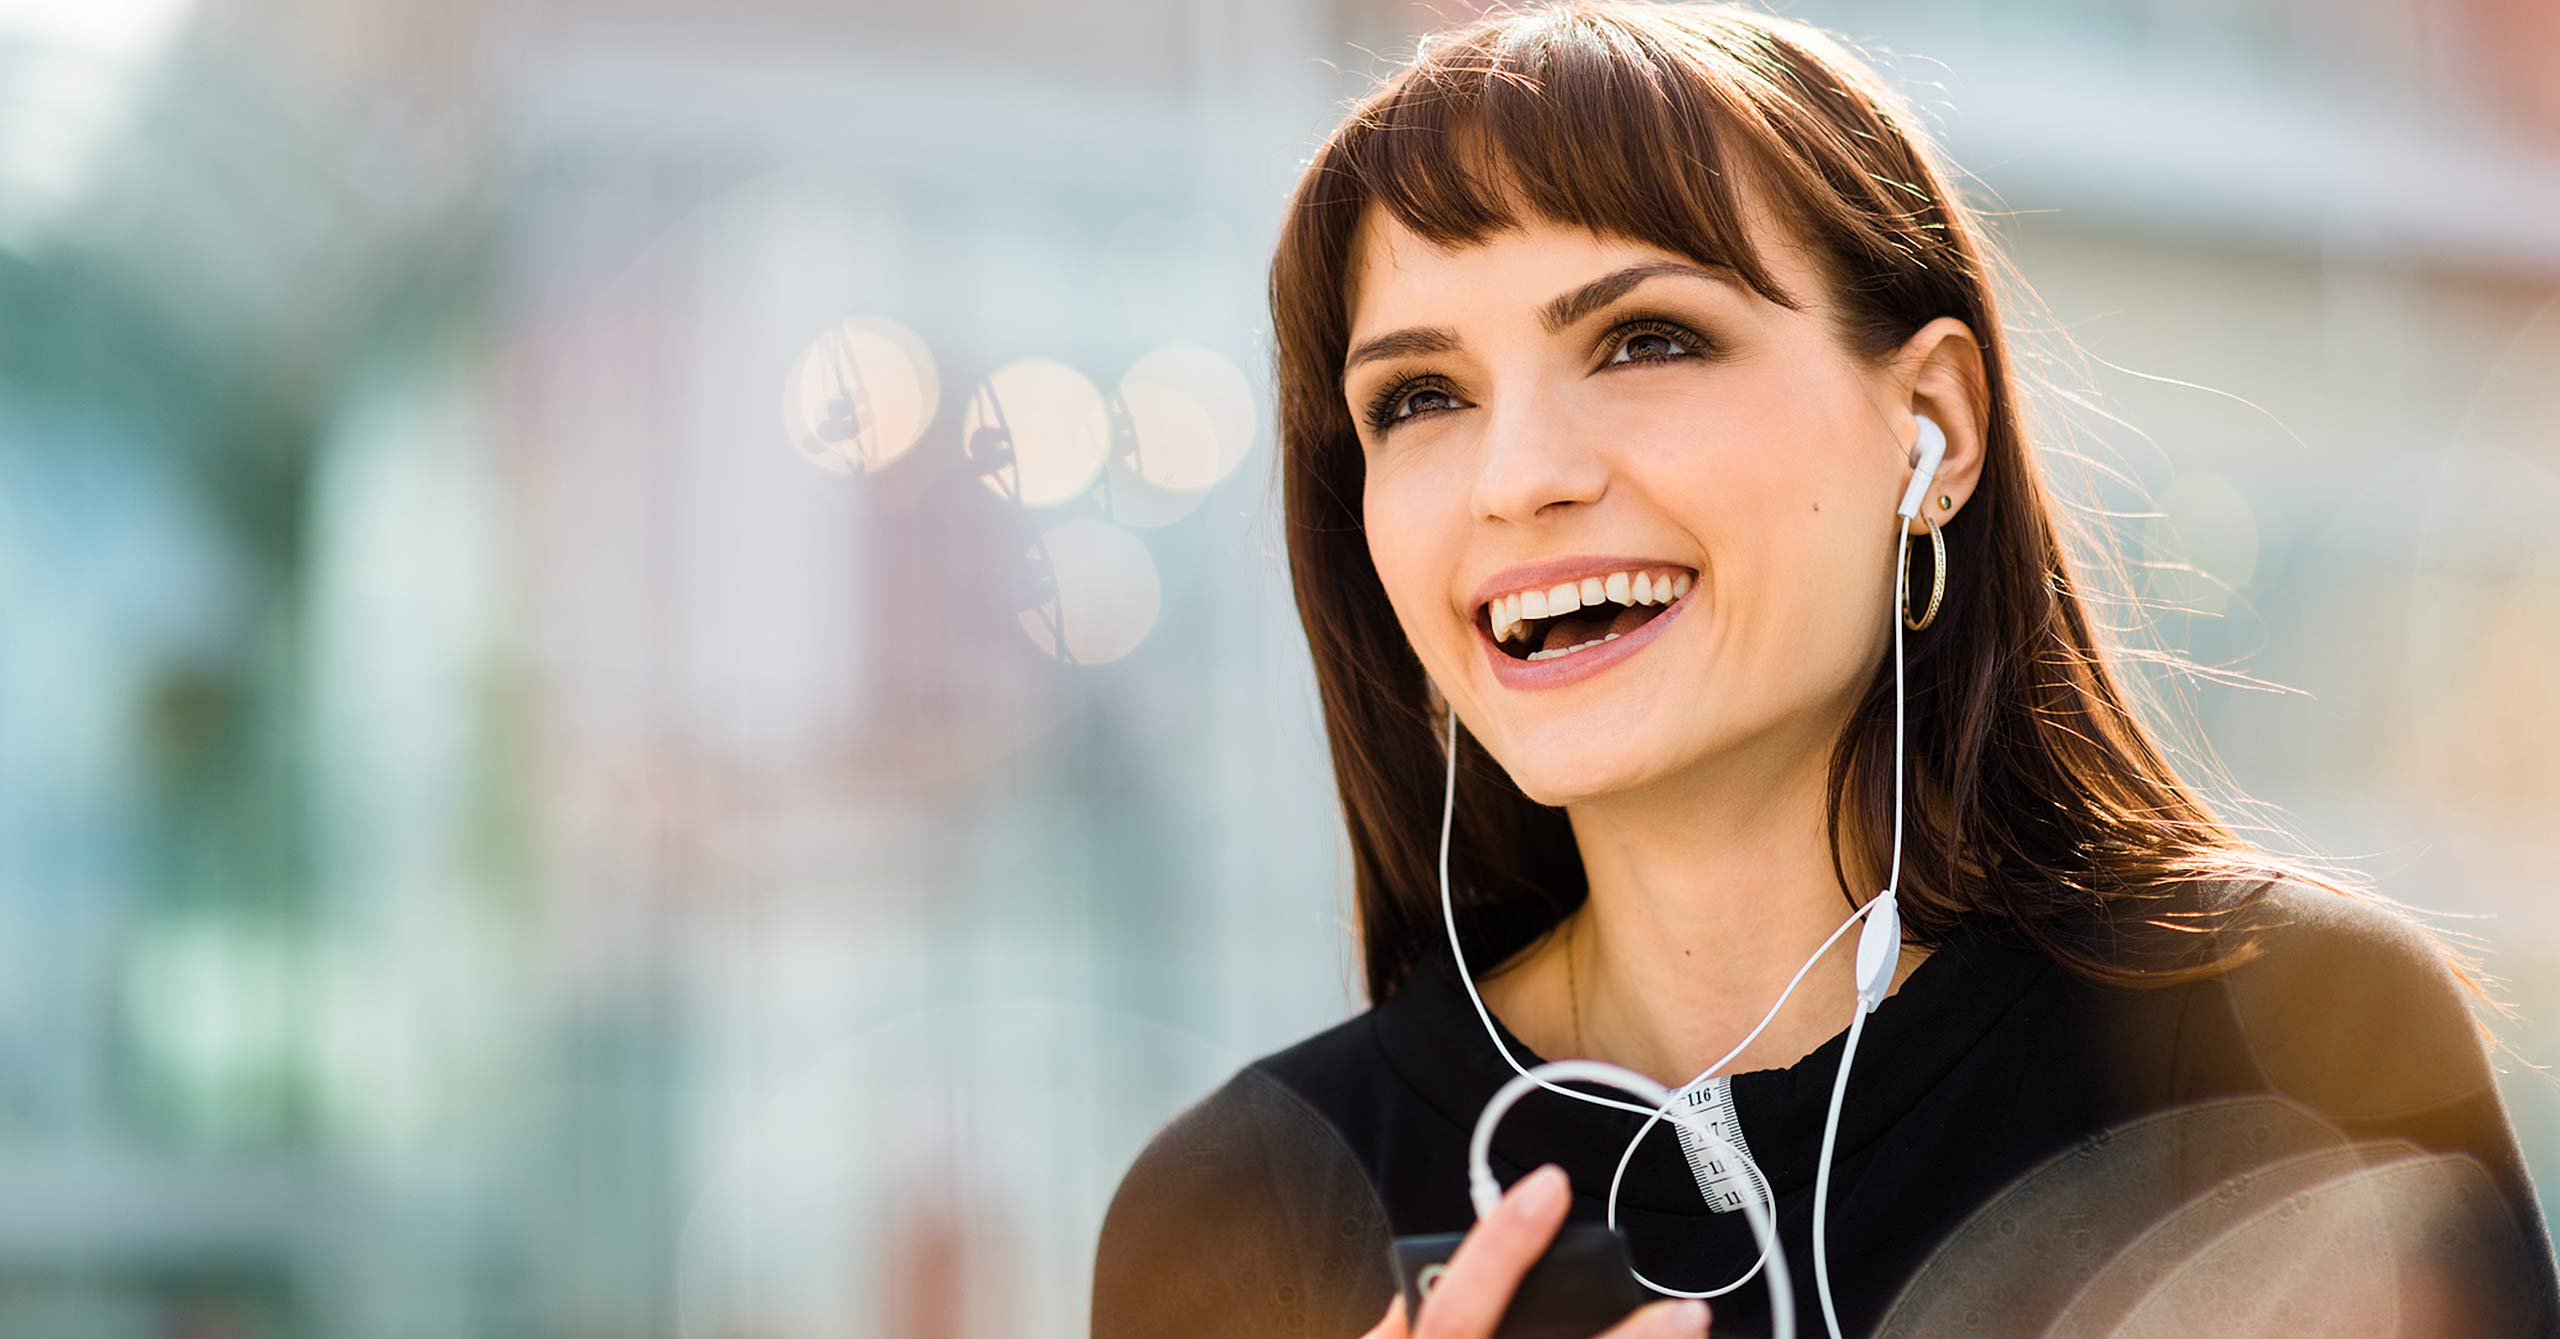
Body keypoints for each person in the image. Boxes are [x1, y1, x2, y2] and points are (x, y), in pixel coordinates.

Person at [1091, 3, 2560, 1335]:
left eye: (1644, 338)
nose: (1515, 478)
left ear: (1931, 425)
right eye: (1419, 397)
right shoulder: (1245, 1211)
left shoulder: (2282, 1034)